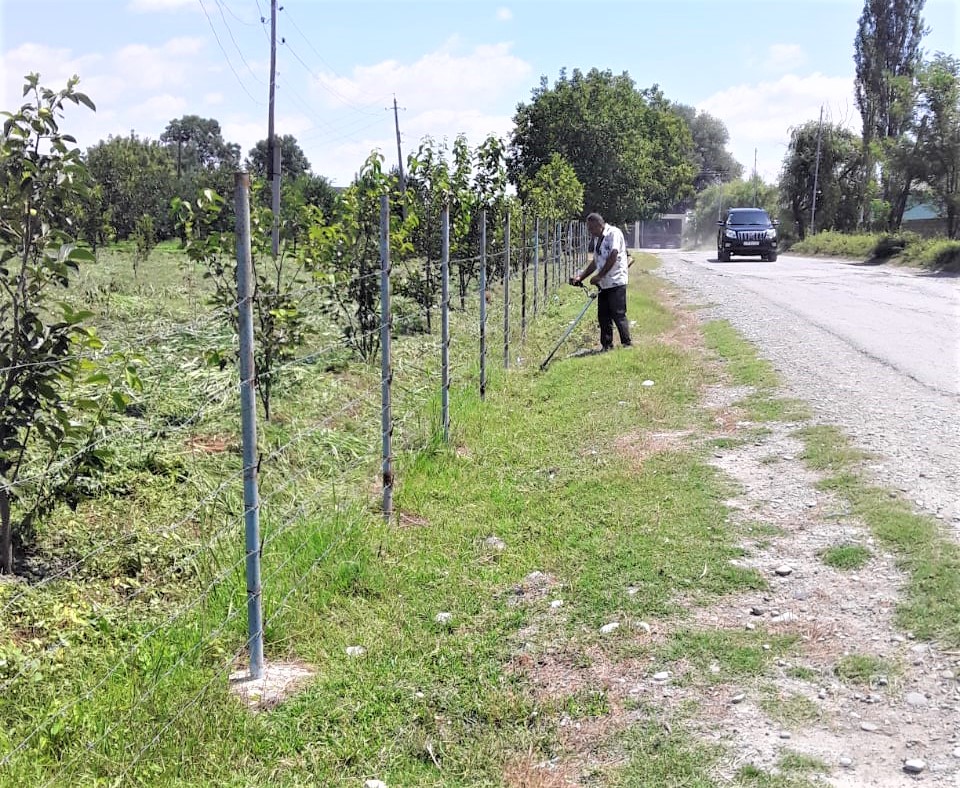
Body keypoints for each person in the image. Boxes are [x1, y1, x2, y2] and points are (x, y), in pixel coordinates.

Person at [570, 212, 631, 351]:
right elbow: (596, 262)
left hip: (616, 280)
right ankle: (606, 345)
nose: (590, 232)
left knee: (618, 313)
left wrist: (600, 275)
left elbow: (614, 255)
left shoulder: (613, 233)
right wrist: (581, 277)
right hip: (604, 283)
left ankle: (627, 343)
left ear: (599, 225)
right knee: (603, 315)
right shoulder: (598, 239)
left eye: (591, 228)